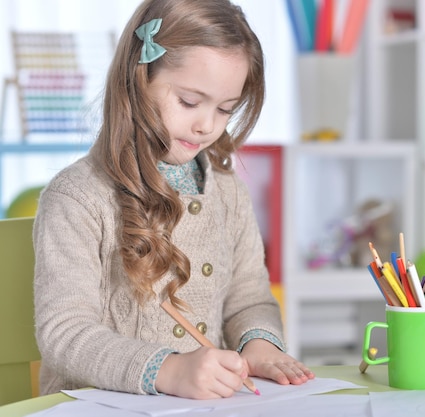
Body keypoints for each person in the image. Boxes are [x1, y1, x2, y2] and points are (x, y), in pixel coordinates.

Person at [33, 0, 314, 400]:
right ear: (139, 78)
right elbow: (65, 333)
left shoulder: (228, 191)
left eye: (225, 110)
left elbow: (249, 297)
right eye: (188, 101)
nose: (206, 125)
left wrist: (260, 347)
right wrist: (167, 369)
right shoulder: (76, 198)